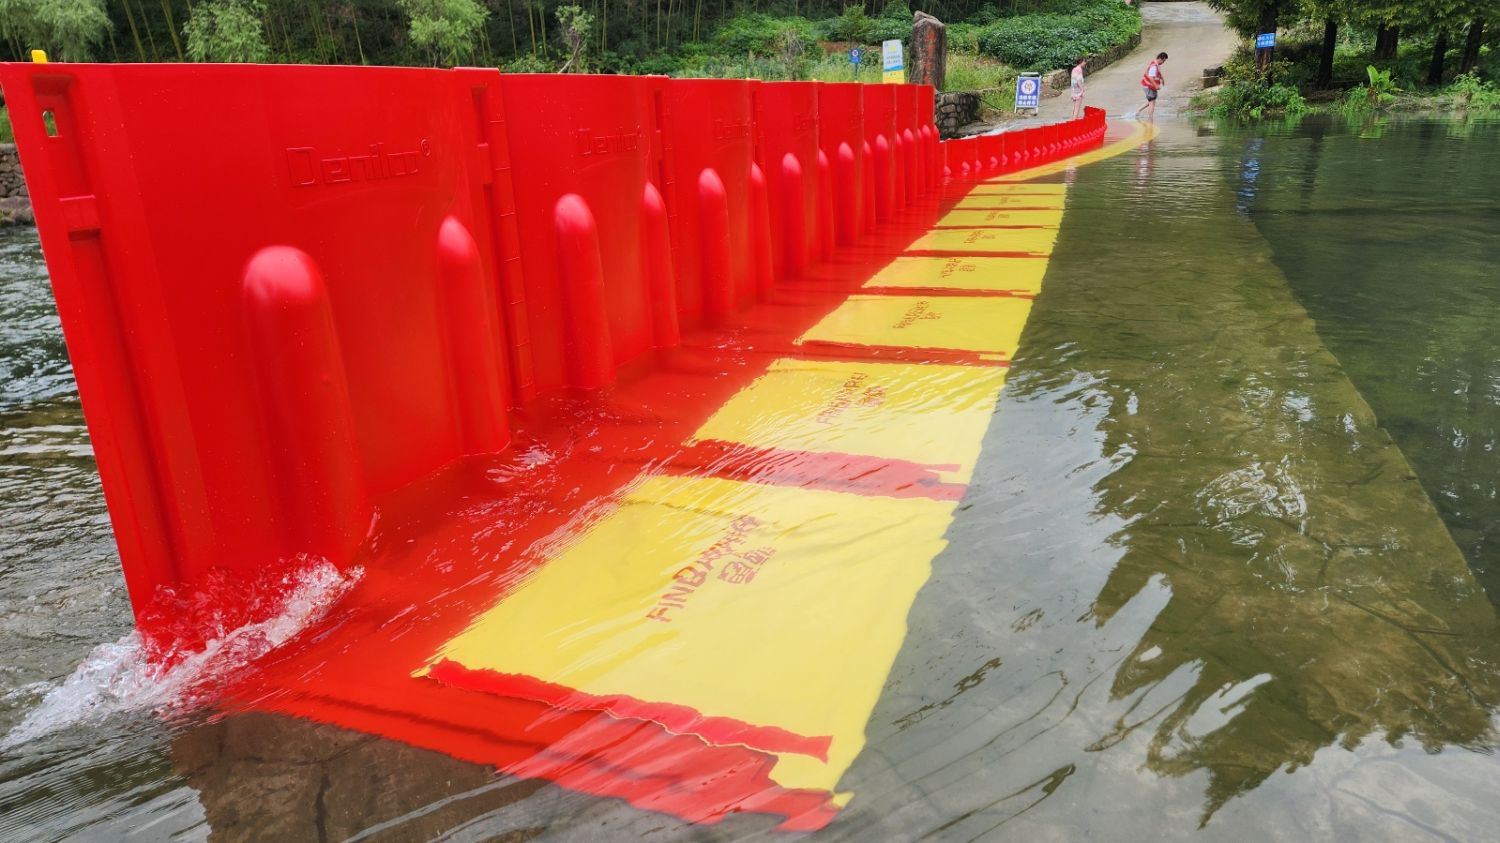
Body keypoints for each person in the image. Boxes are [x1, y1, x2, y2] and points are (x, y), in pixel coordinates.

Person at [1136, 52, 1168, 121]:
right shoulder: (1154, 66)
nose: (1163, 62)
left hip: (1150, 86)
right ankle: (1150, 119)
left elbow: (1159, 72)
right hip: (1148, 86)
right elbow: (1151, 77)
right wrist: (1156, 85)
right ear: (1160, 58)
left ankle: (1138, 110)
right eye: (1163, 60)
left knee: (1151, 101)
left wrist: (1162, 79)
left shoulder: (1157, 64)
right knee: (1152, 102)